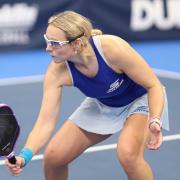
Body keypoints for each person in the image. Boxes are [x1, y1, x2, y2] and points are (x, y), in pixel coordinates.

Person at [6, 11, 169, 180]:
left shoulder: (112, 48)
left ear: (76, 44)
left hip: (140, 99)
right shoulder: (56, 73)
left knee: (128, 154)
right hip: (104, 103)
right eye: (47, 41)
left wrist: (155, 119)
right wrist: (24, 156)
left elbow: (153, 85)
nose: (48, 48)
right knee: (54, 158)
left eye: (55, 43)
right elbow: (45, 123)